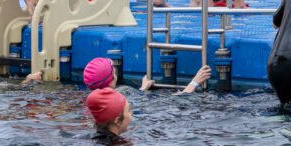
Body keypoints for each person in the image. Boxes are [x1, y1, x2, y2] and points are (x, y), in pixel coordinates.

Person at [83, 56, 211, 94]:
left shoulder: (93, 103)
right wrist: (193, 84)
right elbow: (172, 101)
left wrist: (143, 89)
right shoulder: (120, 95)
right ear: (112, 78)